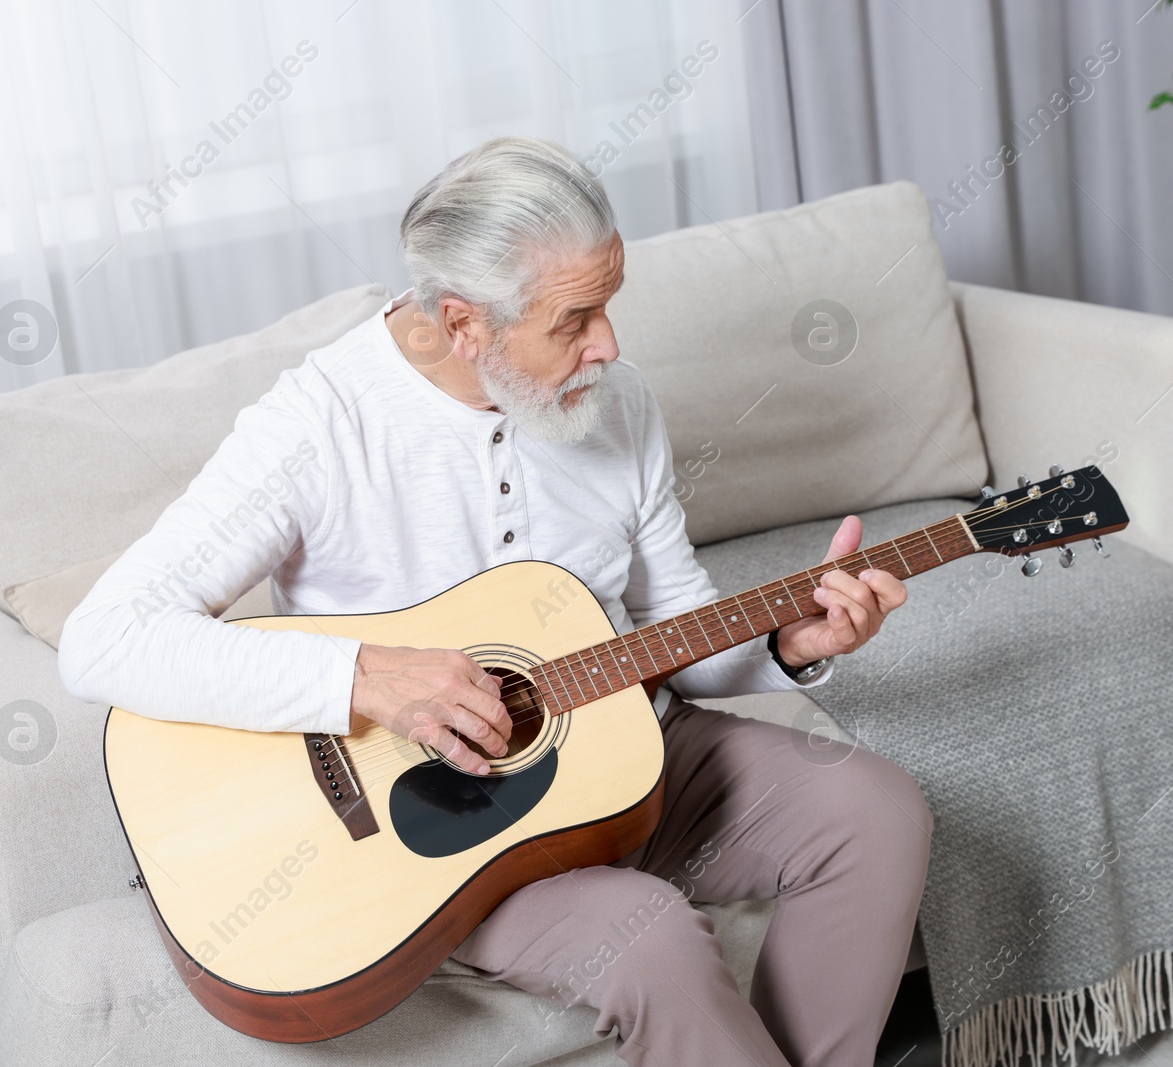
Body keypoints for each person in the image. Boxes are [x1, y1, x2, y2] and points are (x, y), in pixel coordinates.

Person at [59, 136, 931, 1067]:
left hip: (634, 753)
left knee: (875, 808)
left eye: (610, 304)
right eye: (576, 319)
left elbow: (681, 628)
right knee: (648, 935)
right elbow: (105, 638)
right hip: (446, 837)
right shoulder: (317, 425)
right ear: (464, 323)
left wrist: (789, 644)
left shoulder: (618, 403)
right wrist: (368, 678)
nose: (611, 344)